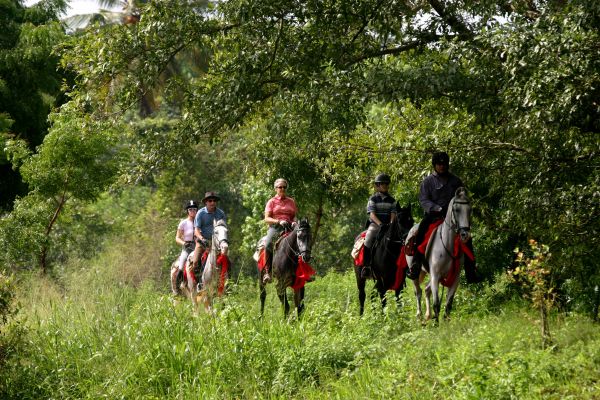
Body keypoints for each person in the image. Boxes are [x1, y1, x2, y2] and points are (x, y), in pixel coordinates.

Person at [406, 151, 483, 283]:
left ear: (447, 165)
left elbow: (463, 198)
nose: (441, 166)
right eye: (439, 164)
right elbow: (424, 200)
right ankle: (416, 265)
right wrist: (437, 208)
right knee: (421, 231)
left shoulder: (456, 181)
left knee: (467, 237)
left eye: (444, 164)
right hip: (433, 215)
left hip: (454, 217)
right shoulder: (427, 182)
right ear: (434, 165)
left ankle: (471, 271)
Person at [362, 173, 398, 278]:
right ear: (377, 185)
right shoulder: (372, 199)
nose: (386, 185)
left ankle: (401, 266)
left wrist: (391, 224)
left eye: (387, 183)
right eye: (383, 184)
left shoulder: (392, 200)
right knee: (368, 239)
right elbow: (372, 215)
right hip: (375, 225)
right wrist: (380, 224)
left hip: (388, 225)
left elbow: (393, 214)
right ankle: (366, 266)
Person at [262, 178, 298, 283]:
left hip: (290, 227)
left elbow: (294, 217)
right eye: (280, 187)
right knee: (268, 243)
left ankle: (303, 272)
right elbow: (266, 219)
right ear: (275, 189)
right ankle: (268, 272)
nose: (282, 189)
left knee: (302, 242)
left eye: (284, 187)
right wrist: (278, 221)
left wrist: (294, 222)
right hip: (276, 228)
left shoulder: (291, 201)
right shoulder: (271, 202)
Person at [192, 191, 227, 270]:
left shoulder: (221, 213)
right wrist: (202, 239)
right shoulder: (200, 213)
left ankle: (228, 279)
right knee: (195, 261)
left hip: (217, 242)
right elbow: (196, 230)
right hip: (203, 242)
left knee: (227, 261)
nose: (212, 202)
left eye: (214, 201)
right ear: (205, 202)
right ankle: (197, 281)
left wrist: (223, 240)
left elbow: (224, 228)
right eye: (210, 201)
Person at [171, 200, 198, 296]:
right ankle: (178, 288)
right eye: (190, 209)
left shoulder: (199, 222)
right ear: (187, 211)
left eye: (194, 209)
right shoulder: (183, 223)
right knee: (181, 266)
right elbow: (177, 238)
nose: (193, 211)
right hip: (187, 247)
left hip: (198, 247)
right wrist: (183, 243)